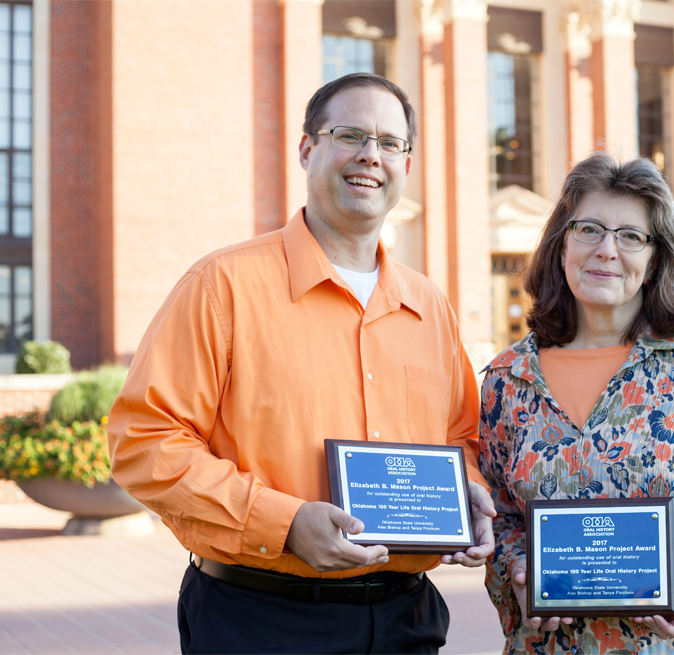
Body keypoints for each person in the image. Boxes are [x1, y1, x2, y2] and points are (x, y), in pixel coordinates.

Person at [107, 72, 495, 655]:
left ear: (406, 168)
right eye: (350, 135)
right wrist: (282, 522)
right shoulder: (223, 285)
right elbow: (144, 442)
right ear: (307, 149)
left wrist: (468, 494)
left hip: (405, 620)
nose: (371, 155)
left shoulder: (429, 306)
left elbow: (462, 437)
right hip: (260, 618)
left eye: (390, 143)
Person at [478, 152, 674, 655]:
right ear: (561, 246)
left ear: (654, 263)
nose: (607, 250)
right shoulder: (507, 380)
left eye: (631, 236)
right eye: (588, 229)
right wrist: (519, 567)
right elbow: (500, 517)